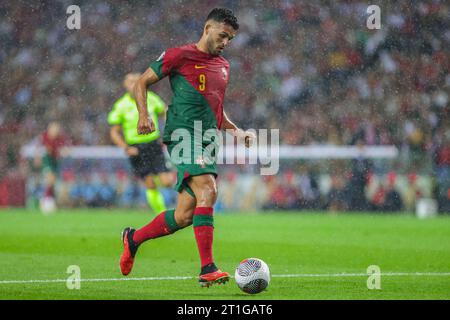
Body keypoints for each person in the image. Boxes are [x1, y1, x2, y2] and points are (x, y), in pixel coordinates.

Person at [119, 8, 256, 287]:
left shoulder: (224, 66)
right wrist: (144, 115)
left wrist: (236, 131)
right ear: (207, 28)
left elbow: (215, 108)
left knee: (184, 216)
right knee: (208, 188)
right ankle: (208, 267)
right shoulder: (178, 55)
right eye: (222, 35)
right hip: (182, 135)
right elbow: (142, 82)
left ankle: (133, 238)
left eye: (230, 38)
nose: (225, 42)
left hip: (207, 140)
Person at [108, 73, 173, 214]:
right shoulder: (121, 106)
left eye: (136, 81)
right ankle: (161, 215)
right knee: (150, 184)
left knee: (167, 181)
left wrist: (167, 132)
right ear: (125, 86)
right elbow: (114, 132)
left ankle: (180, 202)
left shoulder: (151, 98)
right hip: (136, 148)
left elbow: (165, 112)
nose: (133, 85)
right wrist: (126, 148)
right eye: (130, 82)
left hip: (154, 144)